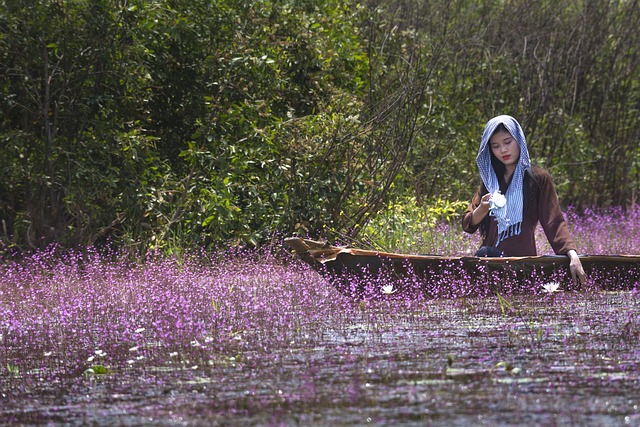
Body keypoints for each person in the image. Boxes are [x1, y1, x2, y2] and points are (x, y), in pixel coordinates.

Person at [462, 114, 587, 285]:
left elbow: (553, 221)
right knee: (484, 253)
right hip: (490, 261)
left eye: (507, 142)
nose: (503, 150)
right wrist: (482, 209)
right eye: (496, 146)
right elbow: (468, 224)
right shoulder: (490, 181)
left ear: (519, 139)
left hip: (523, 265)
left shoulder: (537, 179)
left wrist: (573, 255)